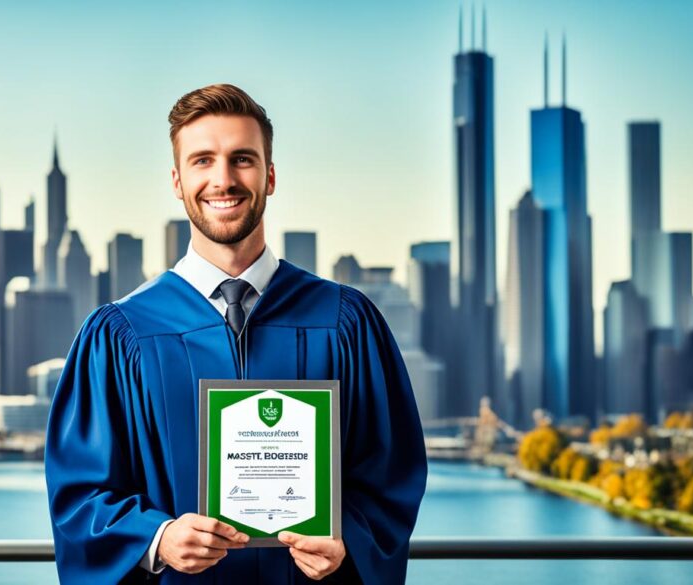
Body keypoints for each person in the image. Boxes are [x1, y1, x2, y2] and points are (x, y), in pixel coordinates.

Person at [45, 83, 427, 584]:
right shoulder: (121, 334)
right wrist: (155, 539)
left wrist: (348, 540)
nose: (223, 179)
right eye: (203, 161)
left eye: (242, 159)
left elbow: (392, 473)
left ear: (269, 176)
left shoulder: (345, 321)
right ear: (177, 181)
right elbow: (80, 496)